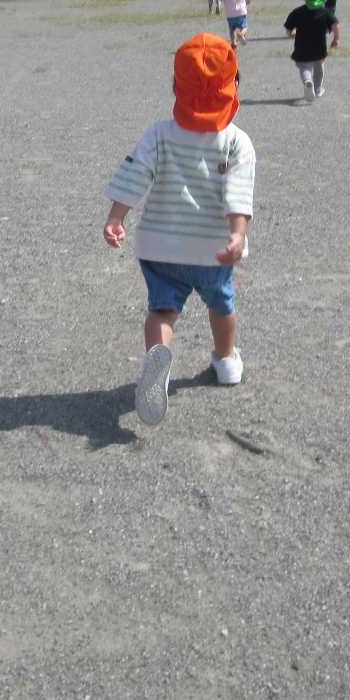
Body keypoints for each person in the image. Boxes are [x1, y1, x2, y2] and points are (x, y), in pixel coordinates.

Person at [104, 33, 256, 426]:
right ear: (234, 85)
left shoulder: (158, 134)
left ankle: (160, 363)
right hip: (211, 249)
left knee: (162, 310)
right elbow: (238, 194)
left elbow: (135, 174)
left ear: (176, 86)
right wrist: (237, 234)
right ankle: (225, 361)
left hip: (160, 245)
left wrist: (116, 216)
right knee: (221, 303)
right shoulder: (237, 143)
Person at [284, 0, 341, 100]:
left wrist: (292, 33)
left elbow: (288, 29)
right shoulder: (325, 12)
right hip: (319, 49)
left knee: (304, 67)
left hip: (302, 49)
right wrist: (336, 38)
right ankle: (318, 89)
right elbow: (335, 24)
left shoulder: (297, 12)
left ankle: (307, 81)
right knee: (319, 68)